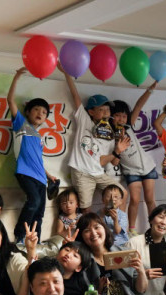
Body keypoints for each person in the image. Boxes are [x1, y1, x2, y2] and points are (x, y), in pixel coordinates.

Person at [63, 69, 128, 213]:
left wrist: (118, 149)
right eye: (101, 109)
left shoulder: (110, 133)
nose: (106, 112)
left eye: (107, 110)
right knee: (86, 208)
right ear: (91, 112)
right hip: (82, 172)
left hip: (99, 173)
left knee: (122, 194)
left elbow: (111, 162)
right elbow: (75, 96)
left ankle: (118, 224)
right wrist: (67, 73)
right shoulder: (85, 121)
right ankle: (91, 225)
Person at [7, 67, 60, 243]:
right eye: (36, 109)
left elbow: (38, 160)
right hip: (25, 172)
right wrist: (17, 76)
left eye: (44, 113)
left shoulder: (39, 137)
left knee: (40, 212)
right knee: (33, 202)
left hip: (41, 178)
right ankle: (20, 236)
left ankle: (34, 241)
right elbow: (10, 100)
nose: (40, 113)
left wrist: (49, 175)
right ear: (28, 111)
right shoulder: (21, 124)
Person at [110, 84, 158, 234]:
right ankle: (132, 230)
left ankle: (155, 227)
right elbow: (114, 161)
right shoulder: (108, 134)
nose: (121, 119)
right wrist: (118, 146)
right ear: (111, 116)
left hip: (148, 167)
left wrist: (150, 90)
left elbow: (138, 106)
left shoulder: (129, 127)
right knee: (135, 200)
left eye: (124, 116)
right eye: (118, 115)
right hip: (131, 171)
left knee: (150, 200)